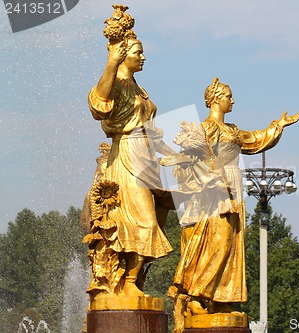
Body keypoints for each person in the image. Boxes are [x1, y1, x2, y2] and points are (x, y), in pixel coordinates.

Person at [170, 77, 299, 327]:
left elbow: (254, 139)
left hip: (234, 188)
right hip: (211, 193)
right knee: (216, 243)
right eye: (229, 96)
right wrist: (207, 178)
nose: (233, 100)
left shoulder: (232, 130)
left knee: (230, 244)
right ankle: (196, 295)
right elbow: (184, 162)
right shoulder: (204, 129)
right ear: (215, 99)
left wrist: (278, 125)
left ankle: (220, 299)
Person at [86, 5, 178, 298]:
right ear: (123, 55)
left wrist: (176, 154)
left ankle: (134, 281)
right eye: (138, 52)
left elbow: (151, 129)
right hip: (126, 156)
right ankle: (126, 283)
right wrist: (110, 65)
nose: (143, 56)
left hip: (146, 156)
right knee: (143, 220)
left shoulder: (139, 90)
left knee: (161, 212)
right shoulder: (116, 83)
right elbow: (98, 104)